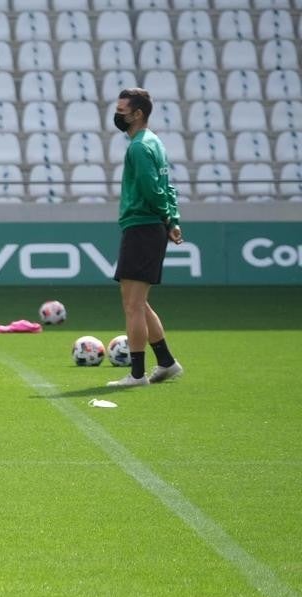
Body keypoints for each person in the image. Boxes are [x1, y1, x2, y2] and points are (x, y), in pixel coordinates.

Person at [106, 88, 184, 388]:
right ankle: (166, 363)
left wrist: (167, 217)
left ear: (137, 113)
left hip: (142, 226)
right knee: (137, 302)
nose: (117, 115)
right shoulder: (154, 142)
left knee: (133, 305)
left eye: (121, 111)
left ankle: (137, 375)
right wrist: (172, 219)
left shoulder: (139, 147)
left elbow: (152, 189)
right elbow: (168, 186)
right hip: (149, 226)